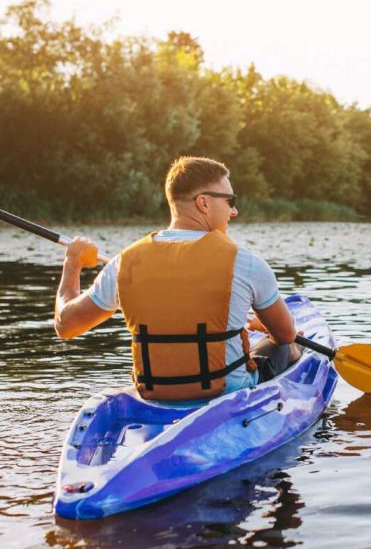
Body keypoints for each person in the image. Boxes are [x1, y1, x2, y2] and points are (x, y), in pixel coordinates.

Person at [54, 156, 301, 401]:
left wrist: (72, 263)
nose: (234, 211)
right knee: (288, 346)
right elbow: (285, 334)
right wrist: (263, 324)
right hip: (228, 393)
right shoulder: (246, 262)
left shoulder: (124, 262)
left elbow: (66, 325)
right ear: (203, 203)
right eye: (230, 201)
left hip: (155, 394)